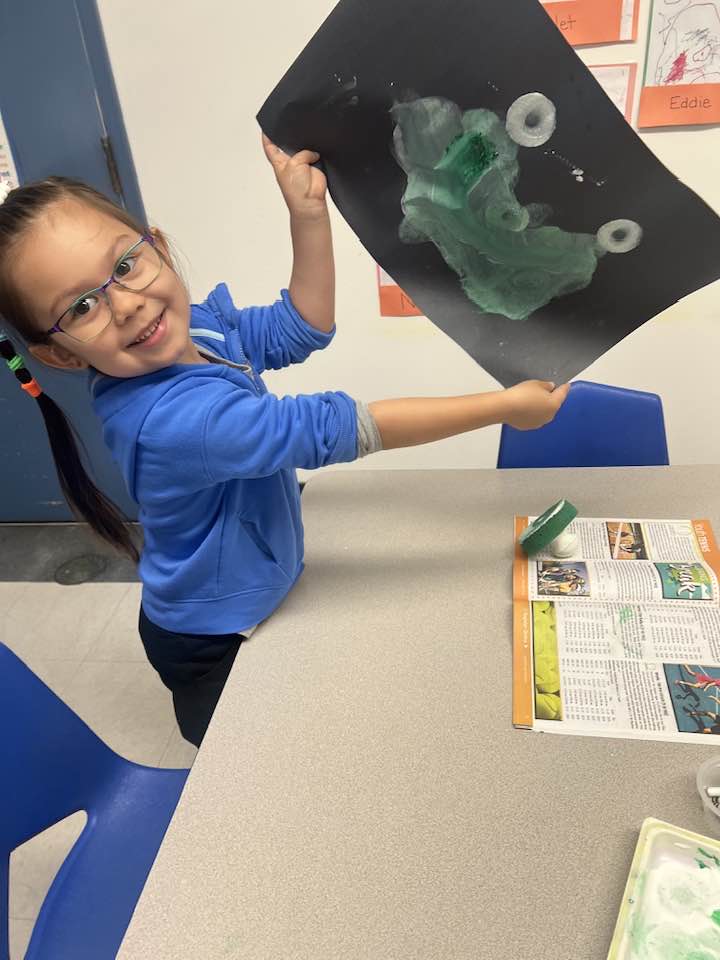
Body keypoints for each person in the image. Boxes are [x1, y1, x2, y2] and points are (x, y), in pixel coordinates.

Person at [0, 137, 569, 746]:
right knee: (261, 770)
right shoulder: (172, 422)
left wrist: (308, 216)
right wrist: (505, 408)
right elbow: (334, 428)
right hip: (213, 638)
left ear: (158, 248)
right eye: (83, 305)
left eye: (124, 266)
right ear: (57, 353)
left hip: (262, 593)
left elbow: (304, 326)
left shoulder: (203, 331)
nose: (127, 304)